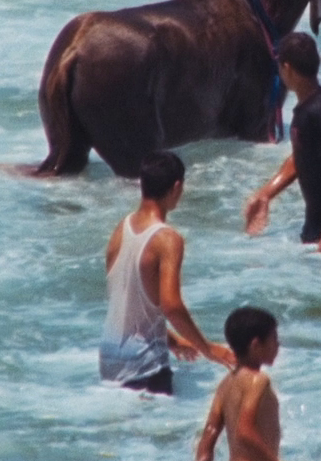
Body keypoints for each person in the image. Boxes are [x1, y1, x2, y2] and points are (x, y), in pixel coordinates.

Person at [100, 151, 234, 394]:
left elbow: (127, 304)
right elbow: (171, 306)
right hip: (145, 363)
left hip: (109, 359)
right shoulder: (167, 239)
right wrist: (207, 349)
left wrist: (172, 340)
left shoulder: (121, 229)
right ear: (177, 187)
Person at [244, 32, 321, 254]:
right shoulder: (316, 103)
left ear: (287, 68)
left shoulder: (318, 110)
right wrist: (265, 194)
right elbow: (303, 155)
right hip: (320, 219)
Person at [194, 306, 303, 461]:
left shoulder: (226, 384)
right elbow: (244, 432)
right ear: (256, 345)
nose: (278, 345)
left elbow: (209, 434)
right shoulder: (258, 380)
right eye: (274, 339)